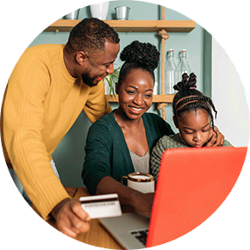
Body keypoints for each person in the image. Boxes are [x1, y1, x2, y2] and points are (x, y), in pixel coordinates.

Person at [1, 18, 120, 238]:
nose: (111, 70)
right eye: (106, 63)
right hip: (9, 162)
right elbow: (23, 139)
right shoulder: (34, 65)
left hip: (41, 159)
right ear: (81, 58)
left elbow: (106, 121)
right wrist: (57, 203)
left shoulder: (90, 78)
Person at [82, 42, 225, 216]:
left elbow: (184, 145)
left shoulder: (156, 124)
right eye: (131, 91)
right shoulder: (102, 130)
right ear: (118, 88)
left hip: (160, 214)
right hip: (119, 215)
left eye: (147, 94)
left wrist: (212, 134)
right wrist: (137, 199)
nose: (139, 101)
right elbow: (94, 176)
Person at [151, 73, 232, 181]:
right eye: (189, 132)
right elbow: (163, 185)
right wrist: (202, 157)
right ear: (176, 122)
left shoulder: (217, 142)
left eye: (204, 129)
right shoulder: (165, 147)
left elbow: (239, 173)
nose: (198, 138)